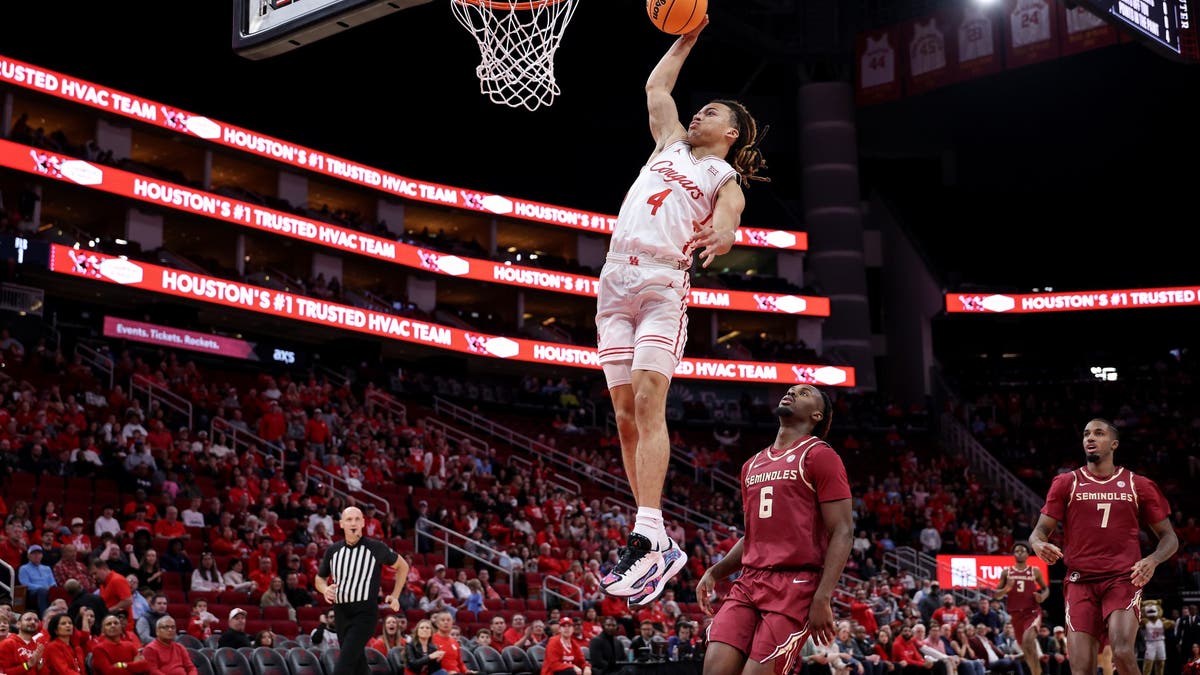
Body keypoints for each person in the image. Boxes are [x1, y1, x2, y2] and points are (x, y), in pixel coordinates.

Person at [595, 15, 768, 606]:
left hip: (664, 284)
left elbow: (728, 219)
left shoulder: (725, 177)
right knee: (622, 414)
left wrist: (721, 237)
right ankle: (656, 537)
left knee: (648, 395)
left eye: (714, 113)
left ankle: (648, 530)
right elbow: (657, 91)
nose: (700, 115)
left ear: (733, 135)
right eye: (702, 110)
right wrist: (687, 38)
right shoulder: (668, 144)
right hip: (614, 280)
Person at [695, 384, 852, 675]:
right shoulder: (751, 465)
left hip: (796, 584)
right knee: (715, 668)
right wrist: (715, 572)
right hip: (750, 581)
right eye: (791, 390)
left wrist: (823, 596)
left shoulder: (820, 455)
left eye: (804, 393)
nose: (792, 392)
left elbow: (843, 530)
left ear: (817, 415)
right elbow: (753, 535)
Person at [1028, 418, 1178, 675]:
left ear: (1114, 444)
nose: (1090, 438)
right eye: (1086, 434)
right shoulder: (1066, 483)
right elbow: (1039, 531)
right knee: (1081, 668)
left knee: (1121, 652)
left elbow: (1169, 538)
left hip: (1122, 578)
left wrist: (1153, 560)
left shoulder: (1137, 484)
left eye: (1098, 433)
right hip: (1080, 581)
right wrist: (1038, 544)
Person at [315, 506, 410, 675]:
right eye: (349, 519)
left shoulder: (375, 548)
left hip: (365, 613)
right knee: (357, 663)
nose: (353, 523)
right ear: (342, 524)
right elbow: (319, 578)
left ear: (363, 523)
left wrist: (395, 595)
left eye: (357, 519)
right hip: (341, 612)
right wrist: (324, 589)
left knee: (344, 664)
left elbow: (403, 566)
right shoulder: (333, 550)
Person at [993, 542, 1049, 675]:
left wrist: (1042, 597)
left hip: (1032, 612)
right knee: (1026, 648)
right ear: (1013, 554)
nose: (1019, 553)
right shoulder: (1007, 572)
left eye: (1022, 551)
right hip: (1016, 615)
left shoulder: (1034, 571)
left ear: (1027, 554)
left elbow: (1046, 589)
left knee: (1028, 640)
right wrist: (1007, 588)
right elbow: (996, 595)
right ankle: (1037, 672)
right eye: (1017, 551)